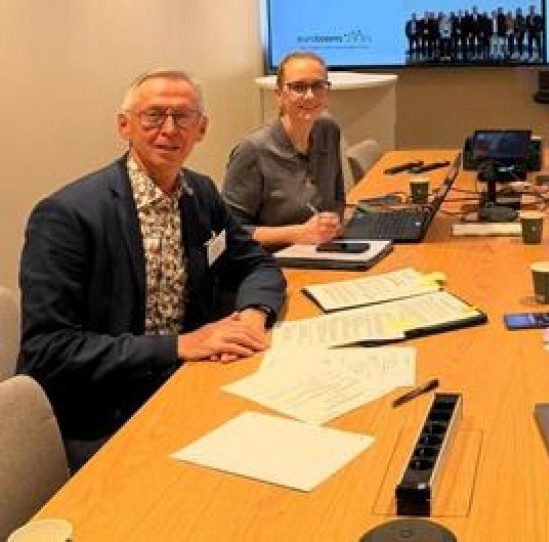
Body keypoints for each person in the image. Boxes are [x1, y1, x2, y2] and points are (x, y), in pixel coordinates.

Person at [18, 69, 286, 471]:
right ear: (124, 125)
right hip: (101, 412)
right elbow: (48, 350)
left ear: (202, 128)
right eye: (154, 115)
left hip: (185, 384)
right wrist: (180, 345)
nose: (169, 129)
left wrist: (252, 316)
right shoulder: (67, 216)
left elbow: (257, 264)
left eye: (183, 117)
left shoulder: (200, 193)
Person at [222, 51, 344, 249]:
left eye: (318, 85)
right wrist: (298, 233)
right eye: (298, 87)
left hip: (322, 250)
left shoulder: (329, 130)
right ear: (279, 95)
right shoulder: (253, 150)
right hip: (270, 258)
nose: (310, 95)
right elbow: (228, 232)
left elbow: (337, 198)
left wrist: (333, 223)